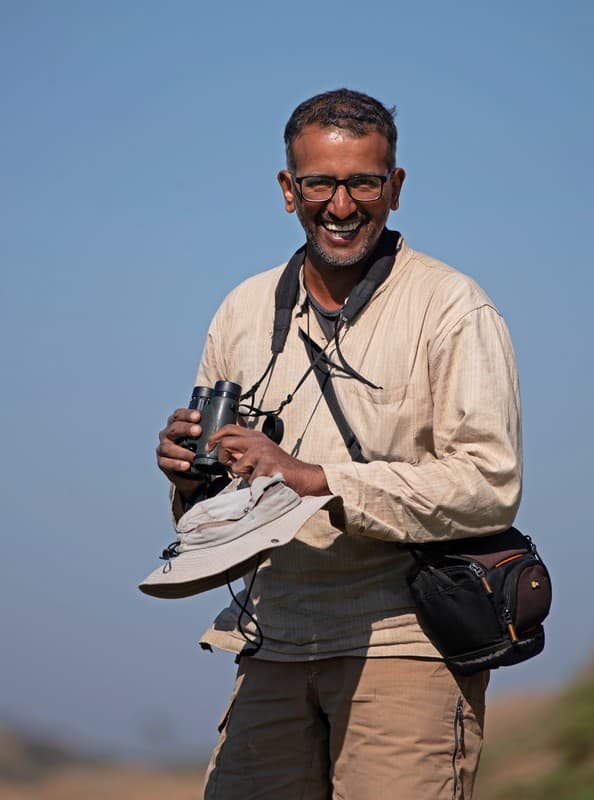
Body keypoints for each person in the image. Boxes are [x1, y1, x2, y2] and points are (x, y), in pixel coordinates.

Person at [156, 89, 522, 799]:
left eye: (363, 182)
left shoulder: (451, 305)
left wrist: (314, 477)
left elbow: (488, 486)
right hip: (271, 641)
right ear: (288, 189)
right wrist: (189, 479)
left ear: (397, 187)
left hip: (402, 643)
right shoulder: (242, 308)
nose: (343, 205)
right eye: (321, 183)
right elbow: (215, 510)